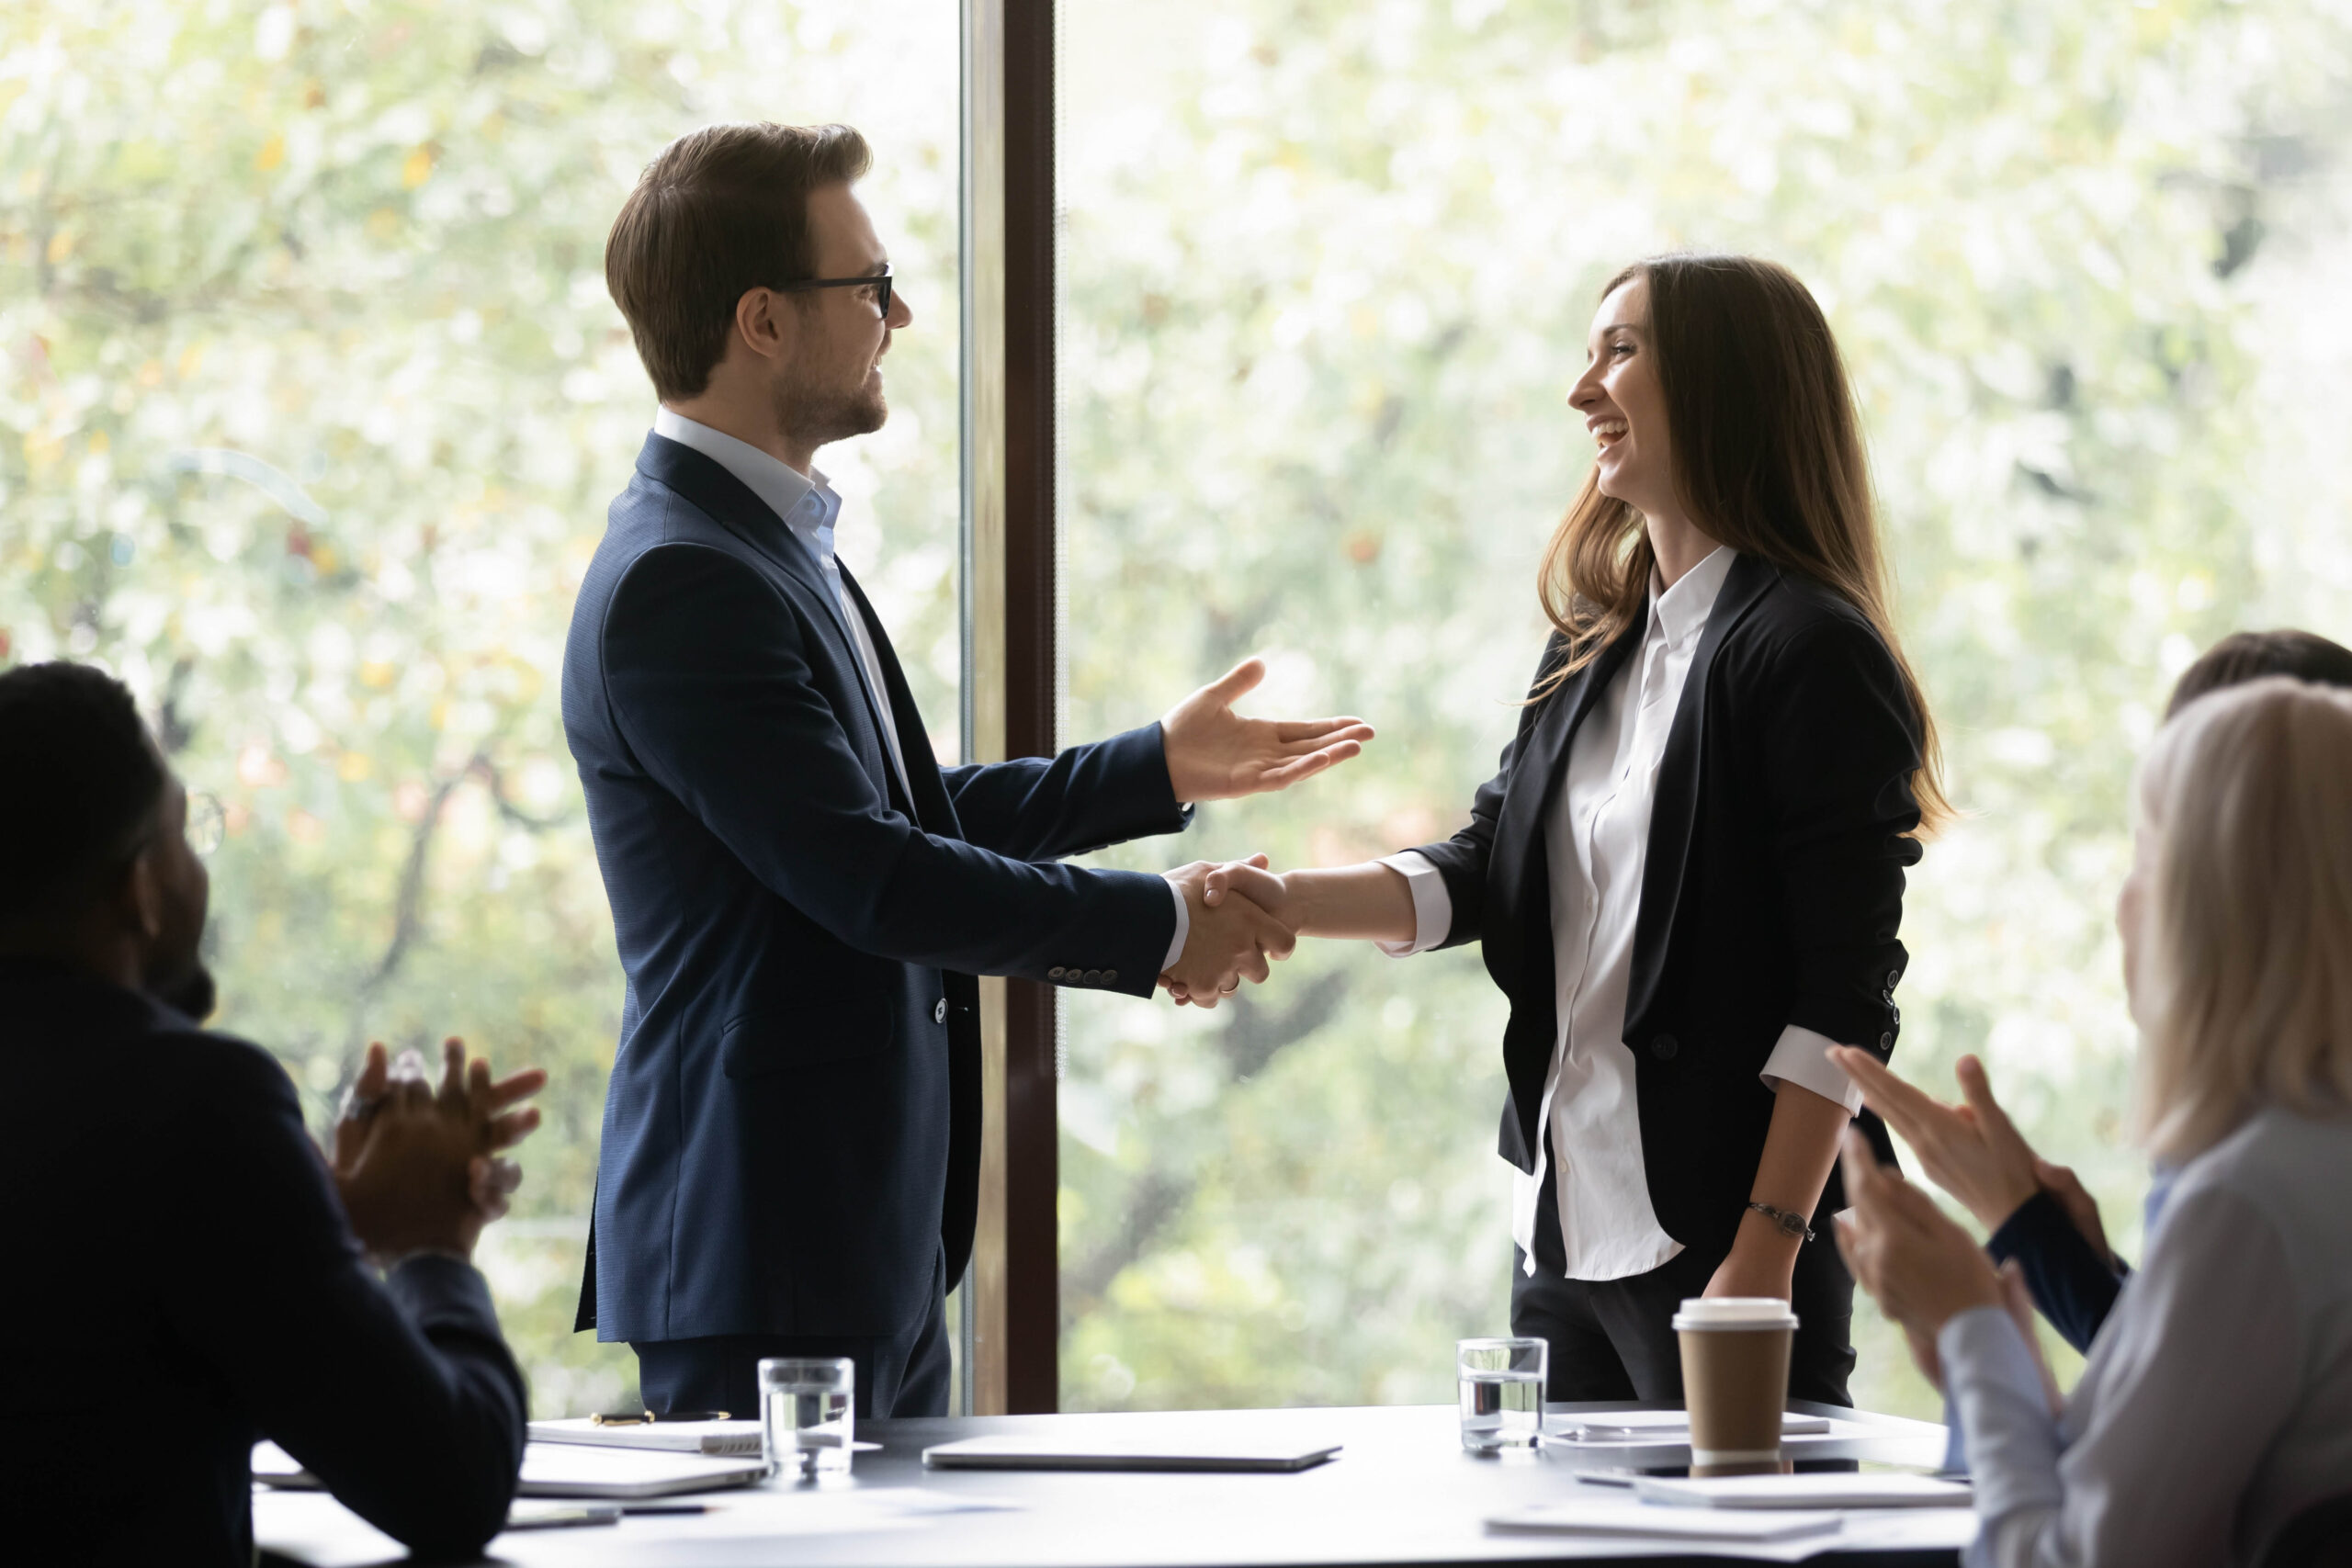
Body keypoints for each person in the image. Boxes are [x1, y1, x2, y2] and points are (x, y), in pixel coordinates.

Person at [567, 121, 1372, 1421]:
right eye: (870, 286)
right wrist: (1163, 922)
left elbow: (886, 818)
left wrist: (1147, 766)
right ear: (763, 321)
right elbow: (876, 875)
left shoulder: (759, 544)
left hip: (850, 1245)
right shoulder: (681, 580)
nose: (902, 313)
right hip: (762, 1255)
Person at [1196, 254, 1943, 1404]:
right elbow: (1493, 868)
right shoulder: (1595, 639)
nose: (1581, 389)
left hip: (1729, 1251)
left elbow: (1841, 1001)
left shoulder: (1810, 652)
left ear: (1724, 382)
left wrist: (1765, 1257)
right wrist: (1285, 901)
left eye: (1620, 351)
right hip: (1561, 1230)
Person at [0, 662, 548, 1566]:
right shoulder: (190, 1102)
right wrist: (429, 1247)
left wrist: (318, 1220)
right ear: (140, 888)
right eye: (187, 833)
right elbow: (455, 1482)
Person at [1835, 677, 2352, 1567]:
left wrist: (1969, 1329)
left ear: (2202, 907)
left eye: (2145, 858)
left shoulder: (2249, 1199)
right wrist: (2007, 1366)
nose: (2124, 899)